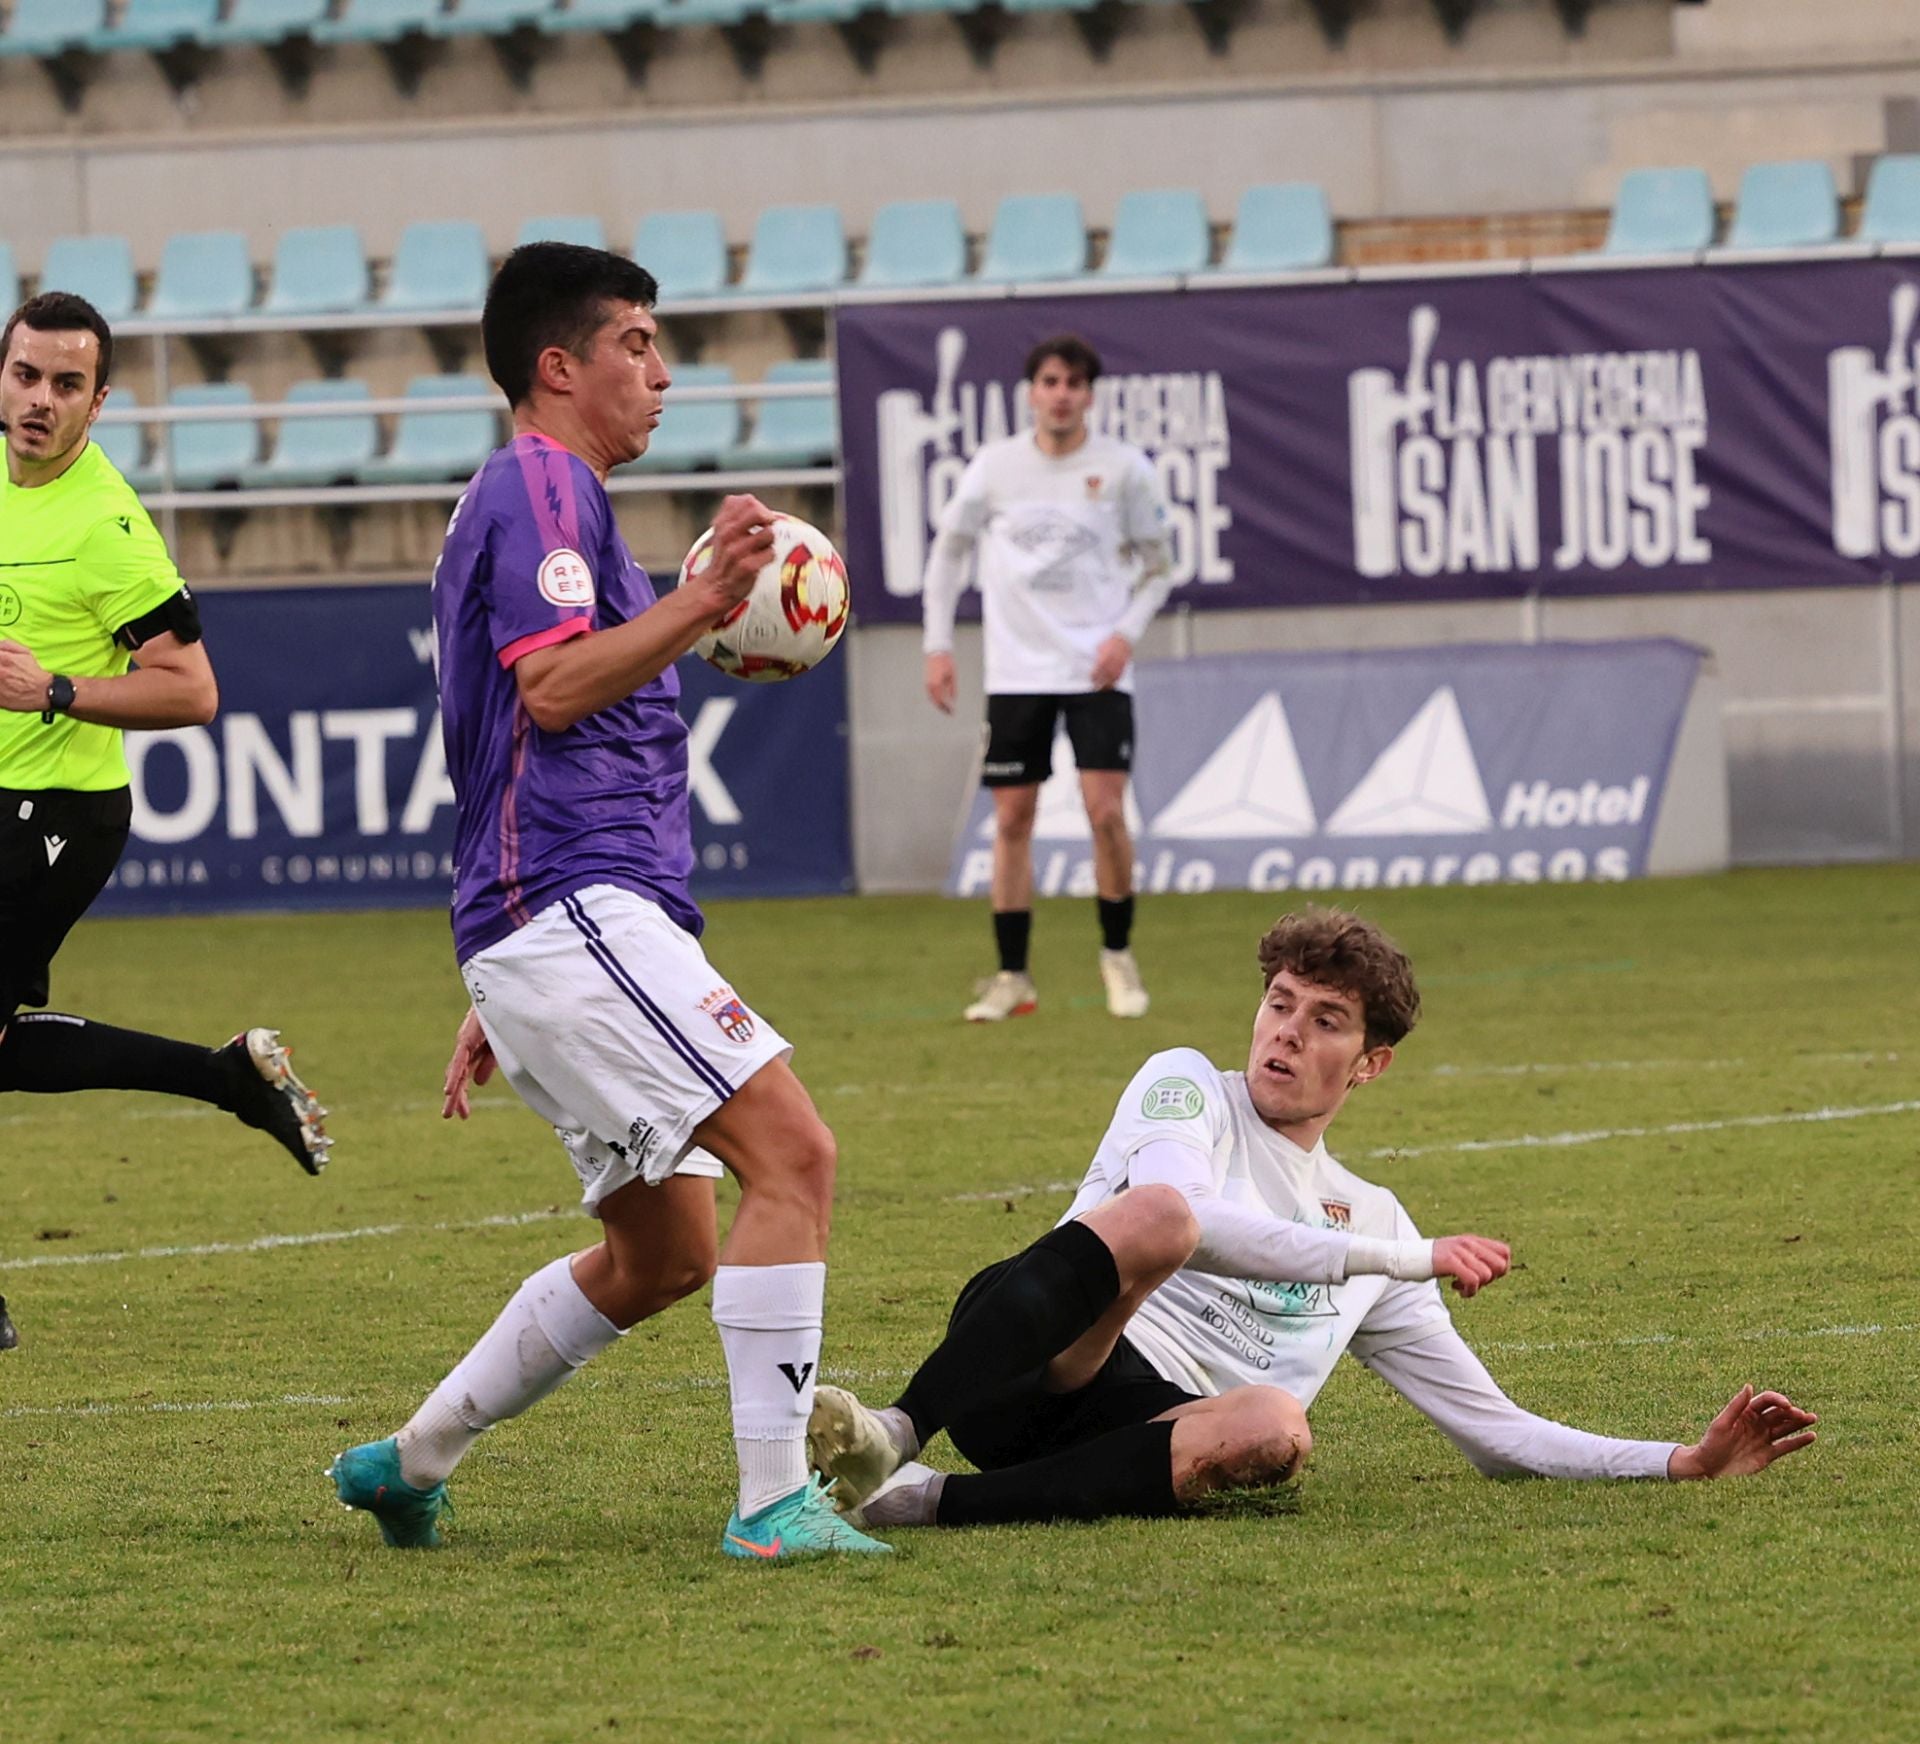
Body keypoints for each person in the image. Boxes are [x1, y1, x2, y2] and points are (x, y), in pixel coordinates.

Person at [328, 243, 886, 1560]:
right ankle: (770, 1507)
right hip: (566, 910)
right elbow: (553, 690)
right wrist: (702, 599)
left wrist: (510, 992)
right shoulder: (537, 486)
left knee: (663, 1257)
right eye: (636, 340)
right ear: (556, 365)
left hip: (555, 930)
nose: (662, 369)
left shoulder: (558, 504)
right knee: (795, 1158)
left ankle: (409, 1461)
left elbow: (526, 730)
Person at [807, 908, 1817, 1527]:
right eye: (1280, 1002)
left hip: (1140, 1434)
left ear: (1370, 1063)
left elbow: (1497, 1435)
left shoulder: (1369, 1212)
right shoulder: (1187, 1088)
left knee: (1277, 1430)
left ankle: (924, 1500)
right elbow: (1185, 1219)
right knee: (1157, 1214)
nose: (1286, 1032)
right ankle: (899, 1429)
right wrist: (1407, 1255)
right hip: (1035, 1354)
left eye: (1324, 1020)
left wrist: (1680, 1461)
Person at [0, 293, 331, 1353]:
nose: (38, 401)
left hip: (61, 812)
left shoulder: (109, 529)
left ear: (101, 400)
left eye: (65, 385)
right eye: (23, 376)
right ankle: (225, 1075)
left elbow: (190, 692)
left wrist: (53, 687)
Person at [922, 334, 1177, 1024]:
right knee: (1012, 818)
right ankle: (1012, 977)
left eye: (1074, 383)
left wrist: (1124, 635)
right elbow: (949, 554)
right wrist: (938, 645)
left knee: (1104, 814)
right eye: (1051, 381)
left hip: (1096, 669)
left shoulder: (1124, 469)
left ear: (1089, 396)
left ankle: (1118, 958)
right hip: (1017, 672)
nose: (1061, 394)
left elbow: (1161, 564)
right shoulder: (996, 468)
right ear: (1031, 392)